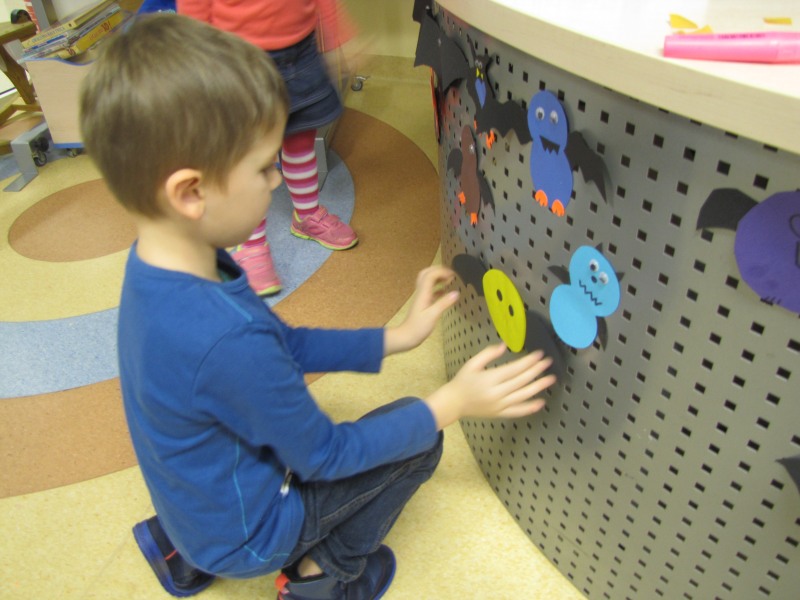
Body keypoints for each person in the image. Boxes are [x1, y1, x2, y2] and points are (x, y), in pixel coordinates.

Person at [79, 14, 557, 600]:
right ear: (191, 191)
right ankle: (321, 577)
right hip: (249, 538)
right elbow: (327, 457)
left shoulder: (158, 266)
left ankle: (186, 549)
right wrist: (451, 403)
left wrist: (396, 338)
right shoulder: (227, 338)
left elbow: (282, 345)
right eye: (263, 167)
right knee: (420, 438)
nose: (277, 182)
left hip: (193, 508)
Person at [177, 0, 358, 297]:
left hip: (301, 50)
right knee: (248, 156)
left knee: (300, 138)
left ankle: (307, 215)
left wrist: (339, 36)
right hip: (238, 56)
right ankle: (251, 242)